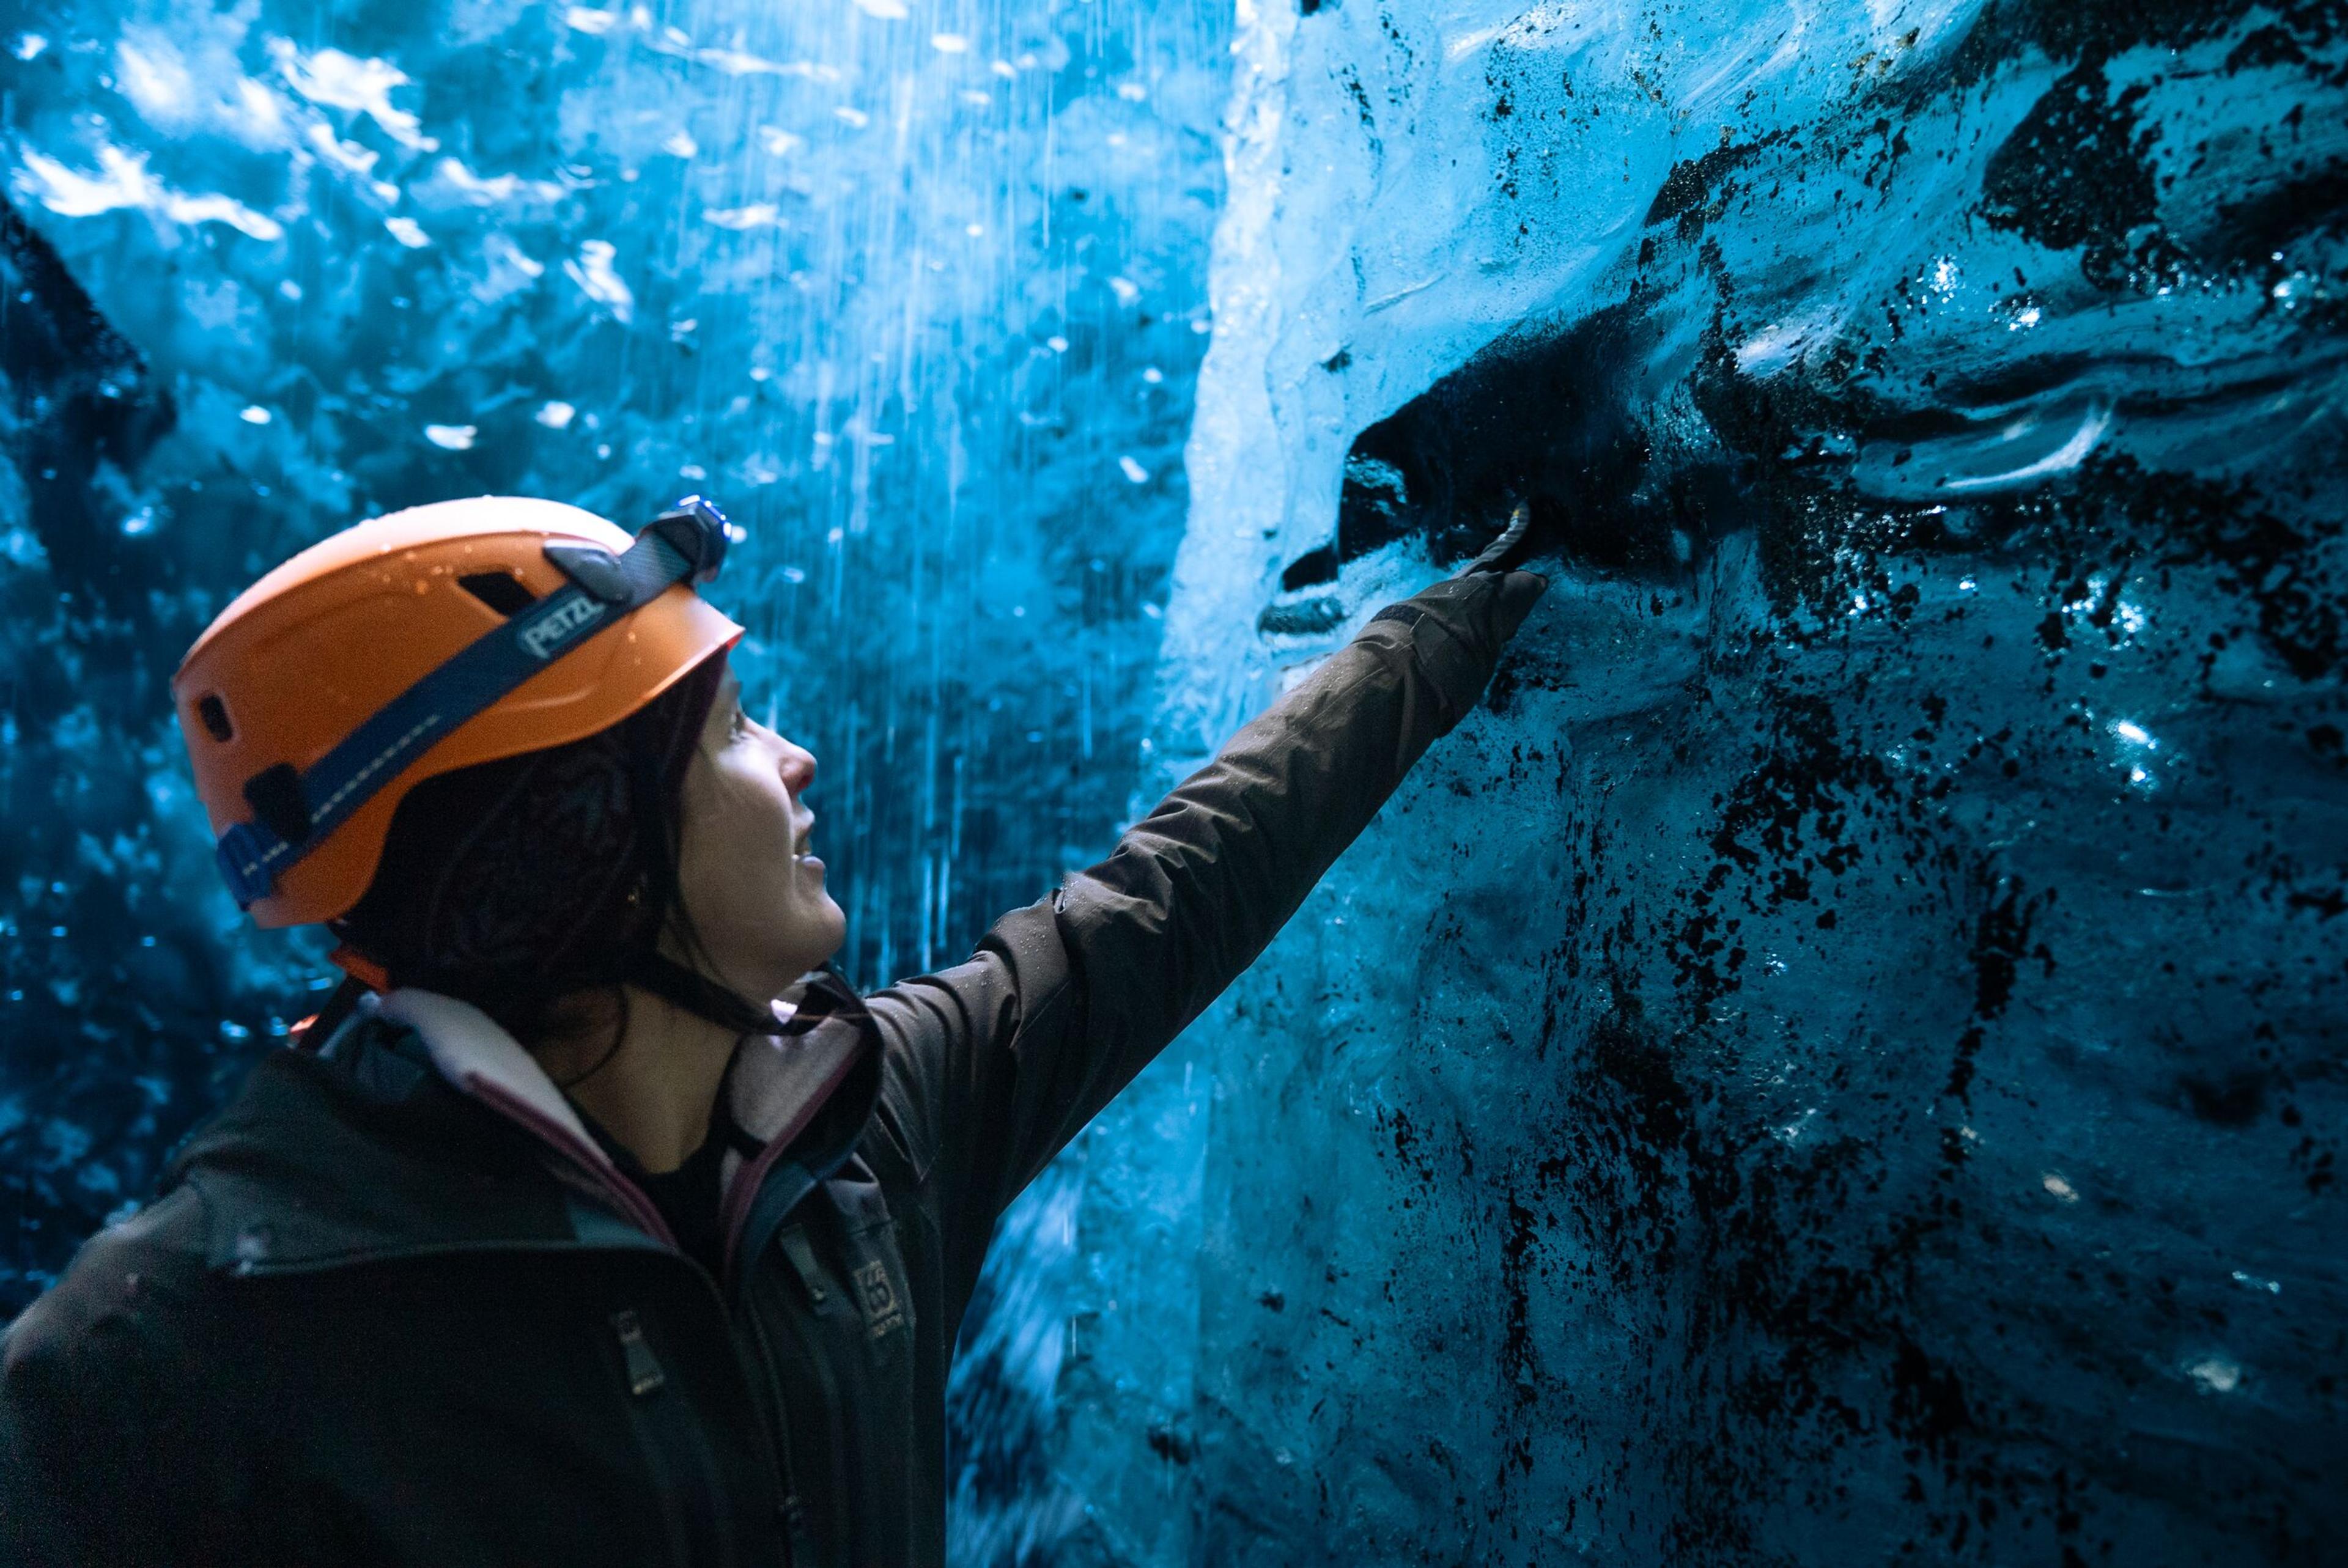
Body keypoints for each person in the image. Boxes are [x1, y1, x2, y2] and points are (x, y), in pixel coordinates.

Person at [0, 492, 1545, 1566]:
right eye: (736, 725)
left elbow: (1169, 896)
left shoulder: (863, 1132)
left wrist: (1445, 629)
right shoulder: (172, 1348)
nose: (796, 758)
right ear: (577, 837)